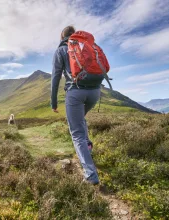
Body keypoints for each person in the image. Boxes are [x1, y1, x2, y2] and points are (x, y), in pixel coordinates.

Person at [51, 26, 101, 185]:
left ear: (62, 37)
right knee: (80, 121)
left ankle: (90, 174)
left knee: (76, 133)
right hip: (95, 92)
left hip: (75, 93)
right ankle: (88, 145)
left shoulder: (61, 51)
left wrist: (53, 102)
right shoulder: (84, 47)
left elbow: (56, 78)